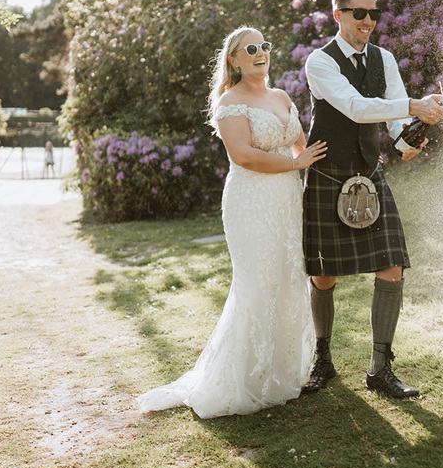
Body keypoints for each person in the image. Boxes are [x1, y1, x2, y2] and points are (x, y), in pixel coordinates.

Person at [137, 27, 328, 419]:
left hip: (288, 203)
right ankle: (244, 381)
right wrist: (294, 164)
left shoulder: (281, 97)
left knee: (289, 281)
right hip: (250, 203)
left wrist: (335, 162)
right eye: (250, 49)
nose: (261, 54)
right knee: (257, 286)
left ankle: (281, 376)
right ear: (234, 60)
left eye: (264, 47)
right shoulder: (231, 101)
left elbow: (302, 145)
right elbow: (243, 156)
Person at [301, 0, 443, 399]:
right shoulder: (320, 62)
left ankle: (380, 369)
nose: (368, 21)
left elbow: (397, 117)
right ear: (338, 15)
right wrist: (413, 107)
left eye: (373, 14)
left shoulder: (383, 58)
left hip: (369, 172)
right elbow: (356, 107)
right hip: (328, 175)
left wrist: (412, 136)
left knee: (392, 265)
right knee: (323, 274)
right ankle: (323, 361)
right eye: (359, 13)